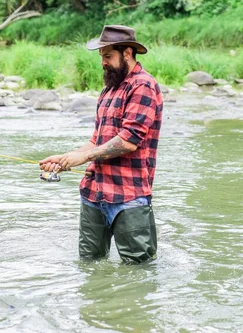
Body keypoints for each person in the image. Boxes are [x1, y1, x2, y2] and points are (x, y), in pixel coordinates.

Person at [40, 25, 163, 264]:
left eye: (108, 56)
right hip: (94, 194)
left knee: (138, 273)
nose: (103, 63)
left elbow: (128, 141)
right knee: (89, 266)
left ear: (127, 53)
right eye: (101, 57)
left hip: (129, 197)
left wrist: (83, 158)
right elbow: (97, 141)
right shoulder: (108, 90)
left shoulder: (143, 85)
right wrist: (66, 158)